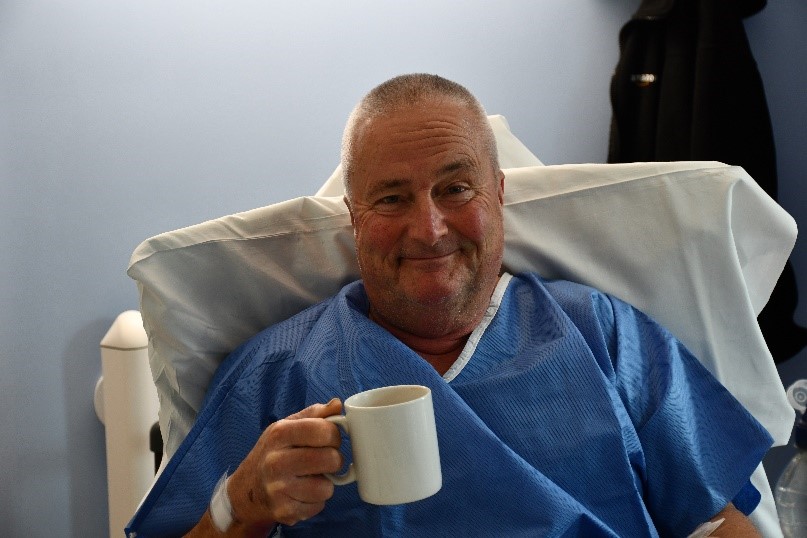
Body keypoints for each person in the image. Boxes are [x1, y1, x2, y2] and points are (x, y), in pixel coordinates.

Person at [128, 74, 772, 537]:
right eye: (390, 199)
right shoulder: (277, 372)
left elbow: (714, 522)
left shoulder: (602, 337)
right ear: (354, 220)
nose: (430, 228)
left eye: (455, 188)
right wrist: (237, 507)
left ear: (496, 194)